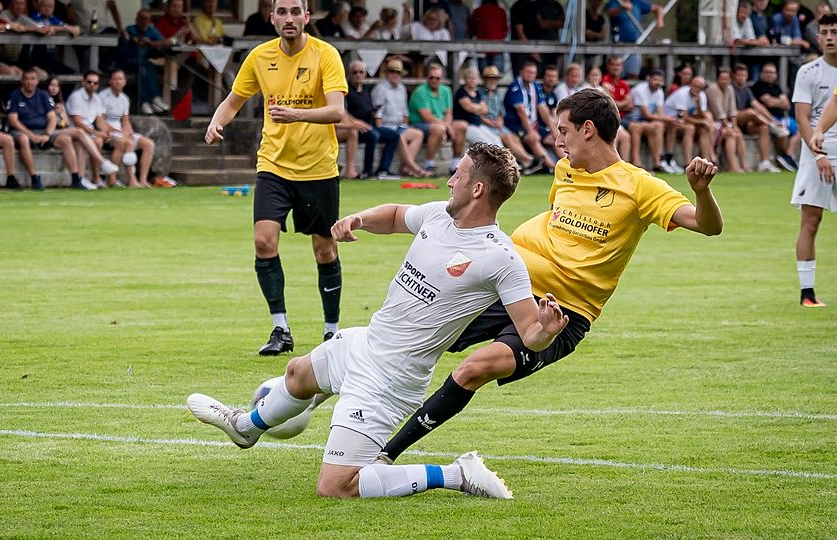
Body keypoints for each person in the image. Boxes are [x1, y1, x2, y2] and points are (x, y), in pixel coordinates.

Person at [186, 142, 569, 499]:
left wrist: (546, 331)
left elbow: (529, 334)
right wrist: (359, 219)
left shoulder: (501, 257)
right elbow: (395, 215)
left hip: (391, 378)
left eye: (459, 174)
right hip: (366, 343)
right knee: (296, 375)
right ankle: (245, 428)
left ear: (478, 189)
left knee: (336, 486)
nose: (450, 180)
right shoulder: (439, 215)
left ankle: (457, 474)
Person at [377, 88, 724, 464]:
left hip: (562, 314)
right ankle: (342, 406)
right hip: (508, 289)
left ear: (587, 130)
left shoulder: (640, 186)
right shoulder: (565, 170)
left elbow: (708, 226)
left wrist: (702, 192)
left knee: (474, 369)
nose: (556, 140)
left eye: (563, 130)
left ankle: (385, 455)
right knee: (413, 339)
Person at [204, 0, 347, 354]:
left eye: (295, 11)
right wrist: (217, 120)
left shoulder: (325, 55)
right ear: (272, 18)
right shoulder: (260, 56)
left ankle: (331, 332)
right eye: (282, 11)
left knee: (324, 249)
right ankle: (280, 329)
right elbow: (234, 99)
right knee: (263, 241)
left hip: (318, 167)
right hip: (273, 165)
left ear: (306, 17)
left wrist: (296, 115)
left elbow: (337, 111)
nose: (289, 18)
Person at [8, 69, 118, 190]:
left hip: (44, 131)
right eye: (27, 79)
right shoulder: (15, 95)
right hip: (24, 132)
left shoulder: (43, 95)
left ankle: (78, 177)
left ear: (37, 81)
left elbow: (52, 118)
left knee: (73, 135)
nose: (30, 82)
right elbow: (13, 120)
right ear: (22, 80)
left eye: (33, 79)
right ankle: (34, 177)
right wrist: (29, 133)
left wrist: (47, 134)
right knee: (23, 139)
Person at [793, 13, 837, 308]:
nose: (831, 36)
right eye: (826, 31)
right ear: (818, 37)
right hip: (817, 152)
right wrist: (819, 153)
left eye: (835, 31)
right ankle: (807, 293)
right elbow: (803, 119)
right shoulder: (809, 72)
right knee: (811, 221)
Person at [370, 58, 430, 178]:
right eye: (392, 71)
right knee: (399, 136)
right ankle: (415, 168)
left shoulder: (402, 88)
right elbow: (377, 113)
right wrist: (380, 128)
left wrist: (405, 126)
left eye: (398, 72)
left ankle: (406, 167)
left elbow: (405, 113)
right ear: (387, 73)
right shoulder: (380, 89)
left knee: (418, 134)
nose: (395, 75)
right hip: (385, 125)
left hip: (399, 125)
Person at [479, 64, 542, 174]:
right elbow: (479, 114)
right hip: (485, 125)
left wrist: (499, 121)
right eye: (490, 78)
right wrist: (490, 122)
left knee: (514, 137)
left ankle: (525, 162)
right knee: (506, 137)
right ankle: (529, 160)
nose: (492, 81)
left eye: (494, 78)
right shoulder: (479, 94)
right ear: (485, 79)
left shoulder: (496, 95)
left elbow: (500, 113)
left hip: (497, 125)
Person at [99, 69, 157, 188]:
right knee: (126, 143)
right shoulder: (103, 96)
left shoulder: (124, 98)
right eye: (115, 79)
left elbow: (125, 120)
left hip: (121, 131)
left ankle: (143, 180)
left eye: (120, 79)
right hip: (109, 132)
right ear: (110, 81)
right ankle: (128, 180)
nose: (117, 82)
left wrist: (129, 132)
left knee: (148, 144)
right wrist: (118, 132)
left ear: (125, 82)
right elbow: (101, 121)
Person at [336, 60, 393, 179]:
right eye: (355, 72)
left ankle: (384, 169)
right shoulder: (346, 90)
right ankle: (368, 170)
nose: (358, 75)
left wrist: (373, 112)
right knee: (373, 135)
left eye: (361, 72)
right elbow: (343, 111)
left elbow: (367, 109)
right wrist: (356, 123)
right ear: (350, 74)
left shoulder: (366, 90)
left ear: (365, 74)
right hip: (354, 126)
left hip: (368, 124)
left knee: (394, 136)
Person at [409, 63, 464, 175]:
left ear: (441, 79)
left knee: (462, 126)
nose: (434, 80)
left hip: (440, 123)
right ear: (427, 78)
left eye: (437, 78)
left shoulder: (446, 90)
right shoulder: (420, 91)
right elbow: (427, 117)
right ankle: (429, 165)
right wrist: (445, 127)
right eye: (431, 77)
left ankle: (455, 166)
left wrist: (447, 126)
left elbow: (449, 113)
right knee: (438, 129)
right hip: (419, 124)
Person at [505, 61, 558, 173]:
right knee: (533, 139)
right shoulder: (515, 87)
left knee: (554, 139)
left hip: (533, 123)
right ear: (521, 72)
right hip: (516, 124)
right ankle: (554, 169)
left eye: (533, 73)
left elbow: (542, 109)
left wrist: (553, 129)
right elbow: (521, 112)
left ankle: (569, 166)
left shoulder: (536, 86)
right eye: (528, 72)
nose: (531, 75)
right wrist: (530, 131)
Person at [732, 62, 785, 172]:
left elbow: (758, 106)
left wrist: (773, 119)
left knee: (763, 127)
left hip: (745, 122)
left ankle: (764, 162)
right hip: (732, 119)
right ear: (734, 75)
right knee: (751, 112)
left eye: (744, 75)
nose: (742, 78)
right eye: (739, 75)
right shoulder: (730, 88)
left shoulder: (746, 89)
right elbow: (731, 111)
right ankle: (772, 126)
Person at [120, 9, 171, 115]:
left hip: (142, 62)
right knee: (144, 68)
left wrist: (151, 42)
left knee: (148, 67)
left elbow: (164, 42)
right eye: (141, 18)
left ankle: (154, 99)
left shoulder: (151, 30)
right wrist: (142, 41)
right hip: (128, 61)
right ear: (136, 19)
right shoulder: (131, 29)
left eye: (146, 19)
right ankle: (145, 102)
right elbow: (135, 39)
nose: (144, 21)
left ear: (150, 21)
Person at [751, 62, 799, 171]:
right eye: (767, 72)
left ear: (776, 75)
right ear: (761, 73)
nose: (769, 75)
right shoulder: (758, 86)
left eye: (772, 72)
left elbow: (786, 104)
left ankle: (788, 155)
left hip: (783, 117)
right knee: (783, 131)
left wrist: (775, 101)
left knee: (801, 128)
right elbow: (768, 103)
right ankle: (787, 157)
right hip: (769, 118)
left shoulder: (777, 87)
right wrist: (779, 101)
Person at [625, 69, 671, 172]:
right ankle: (636, 162)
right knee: (639, 128)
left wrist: (669, 120)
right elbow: (646, 114)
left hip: (644, 120)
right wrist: (669, 119)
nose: (658, 83)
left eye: (660, 81)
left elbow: (660, 113)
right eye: (655, 80)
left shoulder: (659, 91)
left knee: (659, 125)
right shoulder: (640, 90)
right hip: (630, 119)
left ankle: (658, 161)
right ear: (648, 79)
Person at [605, 0, 666, 78]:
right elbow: (609, 13)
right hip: (619, 44)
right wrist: (621, 7)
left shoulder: (637, 2)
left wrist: (660, 19)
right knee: (616, 72)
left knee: (633, 73)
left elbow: (658, 8)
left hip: (635, 43)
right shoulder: (615, 2)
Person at [663, 76, 716, 165]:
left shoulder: (702, 96)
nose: (695, 89)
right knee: (690, 128)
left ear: (702, 88)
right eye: (694, 86)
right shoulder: (682, 94)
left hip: (683, 122)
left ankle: (706, 162)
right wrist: (701, 122)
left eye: (699, 87)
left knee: (704, 129)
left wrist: (698, 104)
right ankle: (688, 163)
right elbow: (683, 117)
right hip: (671, 121)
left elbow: (701, 115)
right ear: (690, 85)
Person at [705, 68, 746, 173]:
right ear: (717, 79)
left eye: (727, 79)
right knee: (730, 134)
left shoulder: (730, 88)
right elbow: (719, 112)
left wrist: (735, 126)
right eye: (722, 79)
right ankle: (732, 166)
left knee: (738, 134)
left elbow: (732, 110)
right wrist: (728, 127)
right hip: (713, 123)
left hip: (725, 123)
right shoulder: (712, 89)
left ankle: (743, 165)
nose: (725, 81)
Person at [469, 0, 506, 72]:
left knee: (484, 74)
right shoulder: (501, 11)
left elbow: (472, 29)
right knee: (497, 74)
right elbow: (505, 30)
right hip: (497, 48)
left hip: (482, 47)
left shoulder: (478, 11)